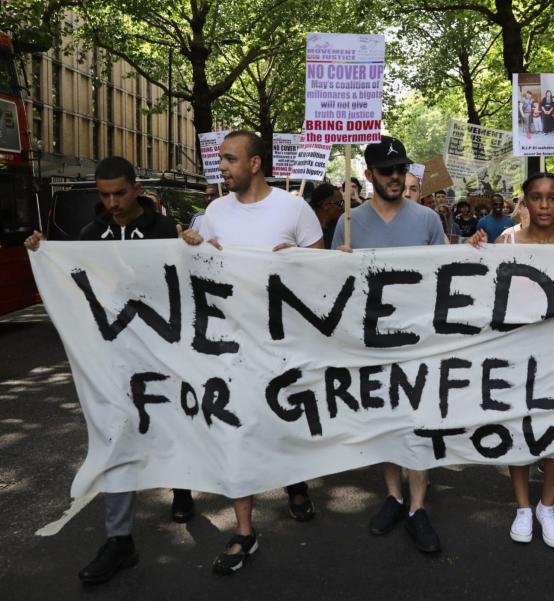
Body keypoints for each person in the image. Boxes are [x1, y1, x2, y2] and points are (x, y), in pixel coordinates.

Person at [25, 156, 181, 584]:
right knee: (114, 435)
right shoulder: (89, 236)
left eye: (119, 193)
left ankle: (182, 482)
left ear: (135, 189)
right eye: (104, 194)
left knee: (174, 422)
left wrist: (197, 248)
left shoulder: (166, 232)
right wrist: (44, 252)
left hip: (163, 353)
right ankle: (119, 540)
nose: (112, 202)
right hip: (113, 359)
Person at [181, 130, 323, 574]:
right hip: (228, 347)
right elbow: (193, 270)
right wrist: (191, 247)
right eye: (221, 160)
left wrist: (299, 258)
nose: (221, 167)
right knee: (235, 431)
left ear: (255, 163)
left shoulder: (294, 208)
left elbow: (325, 273)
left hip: (282, 345)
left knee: (281, 421)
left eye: (229, 159)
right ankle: (245, 530)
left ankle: (295, 481)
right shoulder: (213, 213)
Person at [467, 172, 554, 548]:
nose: (545, 205)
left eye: (551, 197)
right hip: (518, 355)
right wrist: (473, 246)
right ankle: (523, 507)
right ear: (525, 201)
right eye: (536, 197)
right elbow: (483, 287)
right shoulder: (507, 240)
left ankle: (547, 506)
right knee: (520, 429)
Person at [331, 136, 447, 554]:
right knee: (384, 420)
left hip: (419, 342)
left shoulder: (428, 220)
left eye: (401, 169)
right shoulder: (347, 223)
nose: (396, 177)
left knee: (417, 422)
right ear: (369, 175)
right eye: (387, 171)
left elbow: (449, 277)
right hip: (371, 343)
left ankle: (417, 507)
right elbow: (330, 288)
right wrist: (337, 264)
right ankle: (393, 496)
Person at [309, 182, 344, 249]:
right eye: (340, 203)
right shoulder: (305, 228)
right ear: (326, 206)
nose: (343, 207)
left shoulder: (340, 228)